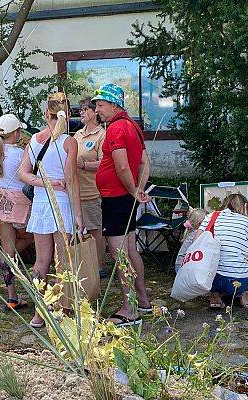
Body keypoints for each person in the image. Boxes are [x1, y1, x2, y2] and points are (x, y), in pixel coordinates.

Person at [19, 92, 84, 328]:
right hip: (62, 204)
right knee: (62, 262)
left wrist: (44, 182)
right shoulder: (69, 142)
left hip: (40, 204)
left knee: (40, 262)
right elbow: (72, 180)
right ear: (67, 114)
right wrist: (78, 214)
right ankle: (61, 309)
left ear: (46, 113)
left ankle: (39, 313)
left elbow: (23, 173)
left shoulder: (34, 140)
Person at [93, 83, 151, 327]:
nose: (97, 110)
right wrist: (138, 189)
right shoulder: (133, 126)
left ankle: (129, 309)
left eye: (101, 104)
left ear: (114, 104)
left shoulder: (116, 128)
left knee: (118, 254)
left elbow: (123, 166)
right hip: (125, 196)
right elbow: (145, 163)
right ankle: (143, 301)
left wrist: (132, 190)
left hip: (116, 198)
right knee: (130, 249)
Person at [0, 114, 33, 309]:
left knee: (8, 250)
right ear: (17, 132)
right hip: (18, 202)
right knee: (30, 238)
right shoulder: (21, 154)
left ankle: (11, 296)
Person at [196, 193, 248, 309]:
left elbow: (196, 242)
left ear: (225, 205)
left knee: (214, 265)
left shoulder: (211, 216)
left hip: (209, 279)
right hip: (239, 281)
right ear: (245, 206)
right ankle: (243, 294)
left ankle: (215, 296)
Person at [74, 97, 107, 278]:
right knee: (78, 230)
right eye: (80, 109)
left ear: (95, 112)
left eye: (85, 109)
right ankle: (83, 264)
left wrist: (84, 166)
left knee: (95, 230)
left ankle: (99, 266)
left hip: (92, 190)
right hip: (76, 191)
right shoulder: (77, 135)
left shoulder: (102, 135)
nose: (81, 112)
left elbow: (105, 163)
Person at [174, 208, 207, 273]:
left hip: (180, 265)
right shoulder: (196, 235)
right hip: (182, 267)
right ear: (200, 224)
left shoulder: (190, 233)